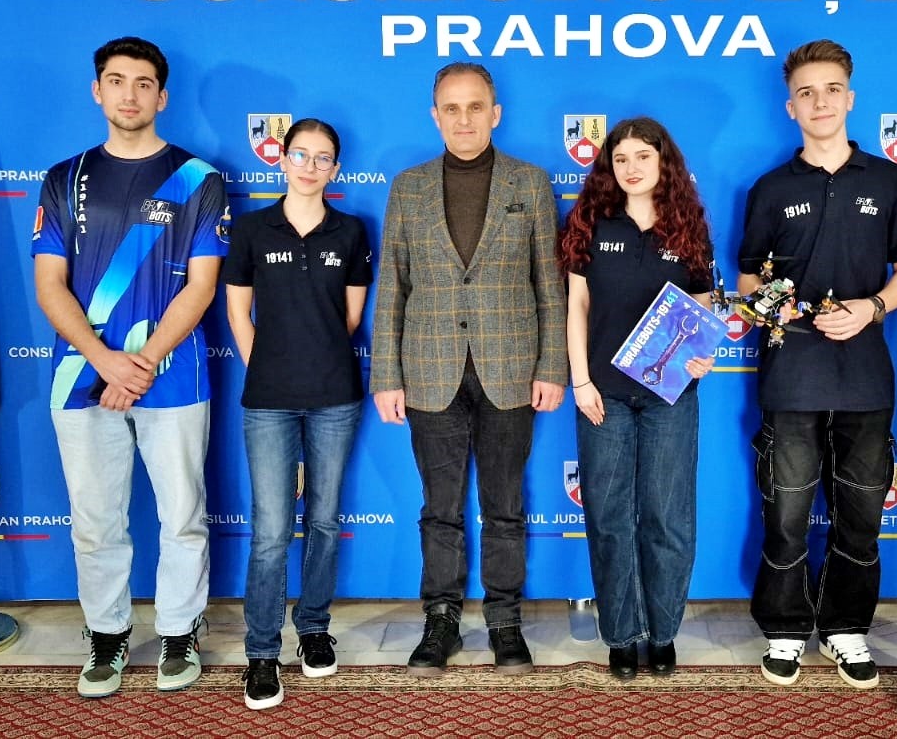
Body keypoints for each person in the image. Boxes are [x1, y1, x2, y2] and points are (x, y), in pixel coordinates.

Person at [32, 36, 227, 698]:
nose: (130, 94)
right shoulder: (64, 178)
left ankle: (179, 631)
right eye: (116, 81)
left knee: (183, 515)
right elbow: (50, 285)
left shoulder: (198, 178)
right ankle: (107, 636)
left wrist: (140, 363)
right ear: (97, 90)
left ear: (162, 97)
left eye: (144, 84)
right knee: (94, 520)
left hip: (172, 376)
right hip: (80, 377)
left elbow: (202, 285)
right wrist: (105, 362)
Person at [370, 61, 566, 676]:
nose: (464, 119)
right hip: (428, 370)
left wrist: (552, 366)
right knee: (440, 508)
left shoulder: (530, 183)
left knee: (505, 504)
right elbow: (392, 286)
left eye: (475, 107)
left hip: (512, 368)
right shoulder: (408, 187)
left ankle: (505, 622)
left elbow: (550, 285)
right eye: (451, 108)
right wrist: (386, 375)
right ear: (435, 116)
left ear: (495, 113)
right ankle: (441, 620)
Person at [737, 39, 897, 688]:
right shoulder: (770, 188)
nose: (821, 102)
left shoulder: (890, 181)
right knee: (786, 515)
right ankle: (785, 629)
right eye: (806, 93)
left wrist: (870, 308)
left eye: (832, 89)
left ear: (851, 98)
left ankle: (846, 628)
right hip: (792, 377)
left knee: (861, 516)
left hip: (866, 376)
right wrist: (781, 307)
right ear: (791, 107)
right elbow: (749, 280)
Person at [558, 117, 715, 681]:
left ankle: (663, 632)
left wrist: (704, 354)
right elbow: (576, 307)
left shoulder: (688, 227)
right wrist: (581, 381)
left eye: (643, 156)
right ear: (609, 166)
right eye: (620, 158)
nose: (631, 167)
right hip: (604, 395)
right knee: (608, 517)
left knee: (667, 517)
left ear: (663, 161)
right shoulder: (590, 222)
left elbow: (703, 309)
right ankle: (622, 636)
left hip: (670, 396)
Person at [223, 119, 371, 709]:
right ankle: (261, 652)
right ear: (281, 159)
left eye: (323, 157)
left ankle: (313, 629)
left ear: (335, 168)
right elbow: (239, 314)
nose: (311, 166)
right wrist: (270, 366)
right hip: (268, 401)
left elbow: (350, 318)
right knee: (270, 532)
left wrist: (314, 358)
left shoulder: (350, 231)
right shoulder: (252, 228)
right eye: (301, 155)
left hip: (335, 396)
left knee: (326, 521)